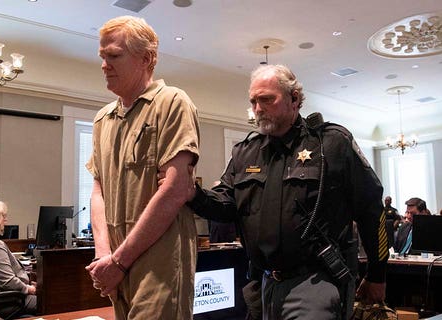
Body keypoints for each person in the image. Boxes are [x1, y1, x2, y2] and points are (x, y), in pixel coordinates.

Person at [185, 64, 387, 319]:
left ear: (294, 99)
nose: (258, 109)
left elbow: (371, 210)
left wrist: (378, 274)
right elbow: (226, 205)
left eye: (267, 99)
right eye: (254, 102)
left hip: (315, 281)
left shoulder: (331, 144)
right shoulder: (246, 151)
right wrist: (193, 193)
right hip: (263, 283)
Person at [84, 16, 200, 319]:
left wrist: (119, 261)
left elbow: (174, 191)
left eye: (114, 56)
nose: (104, 64)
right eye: (102, 56)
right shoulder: (102, 119)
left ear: (146, 58)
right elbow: (98, 191)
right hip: (116, 260)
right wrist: (103, 257)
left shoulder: (173, 103)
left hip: (159, 262)